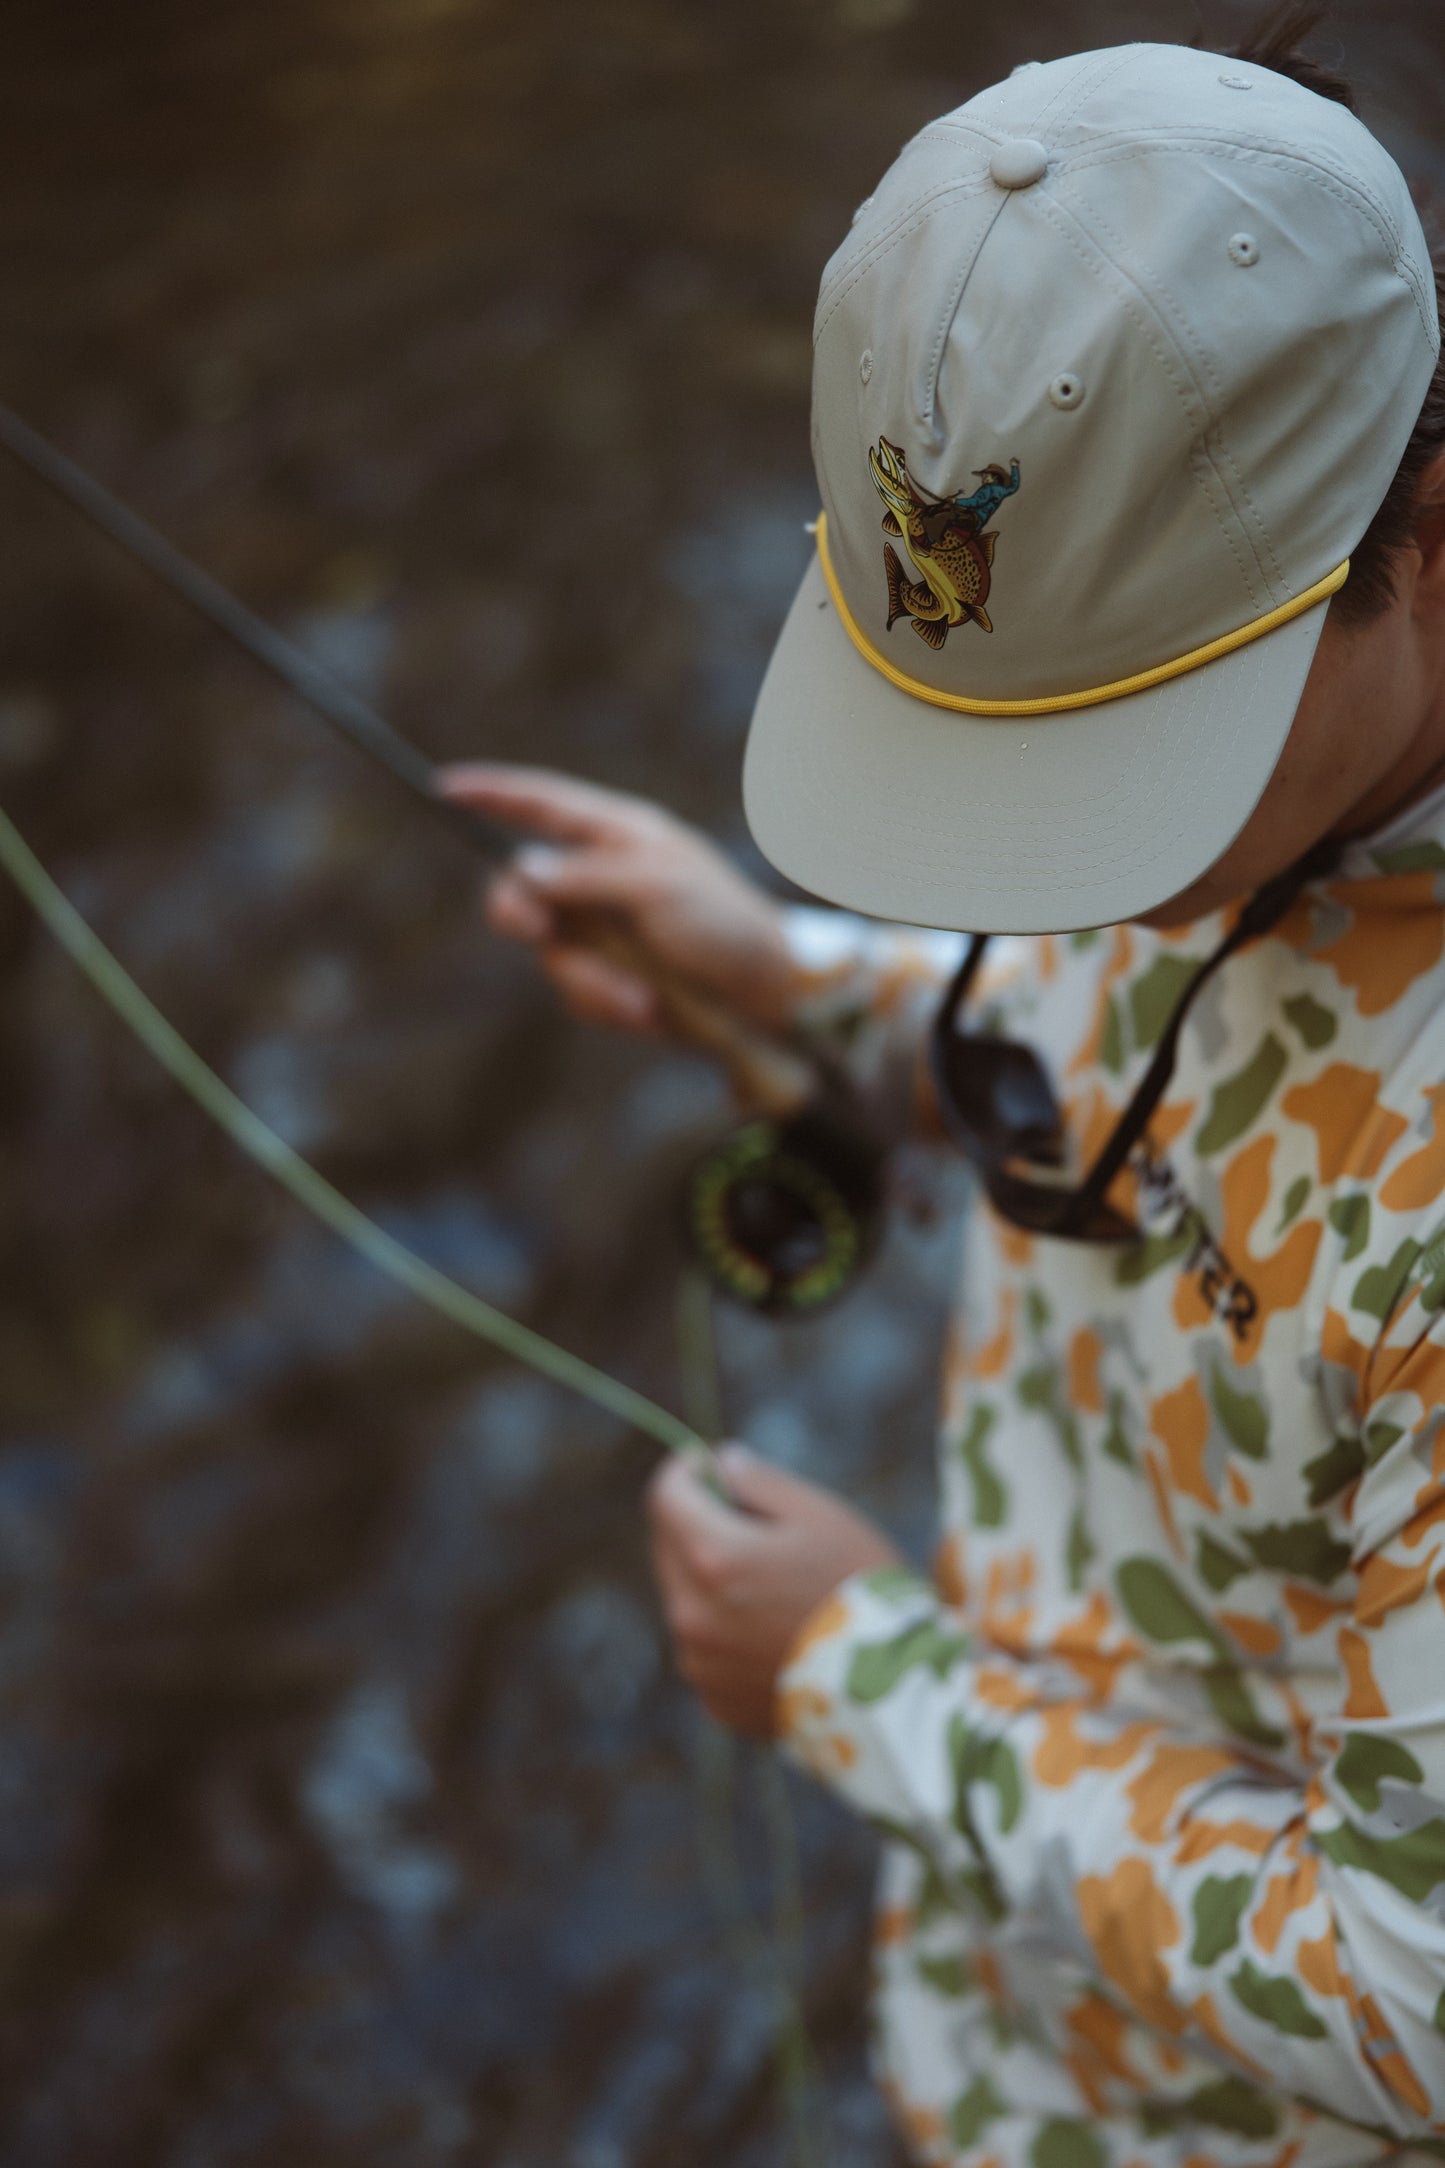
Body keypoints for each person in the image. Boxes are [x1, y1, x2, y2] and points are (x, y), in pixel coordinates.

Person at [446, 15, 1445, 2164]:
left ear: (1426, 534)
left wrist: (859, 1681)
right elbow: (1168, 1061)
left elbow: (1421, 2008)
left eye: (1111, 773)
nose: (1075, 869)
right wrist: (799, 983)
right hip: (1002, 2054)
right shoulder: (1261, 784)